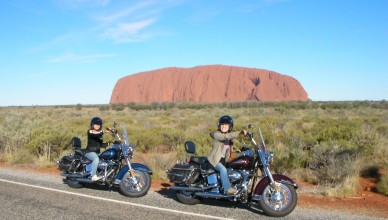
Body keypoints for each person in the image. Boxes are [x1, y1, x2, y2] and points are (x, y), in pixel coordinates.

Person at [207, 115, 247, 195]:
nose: (224, 126)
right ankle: (227, 189)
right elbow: (225, 136)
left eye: (226, 125)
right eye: (222, 125)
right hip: (214, 161)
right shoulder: (216, 134)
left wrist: (239, 150)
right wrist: (239, 133)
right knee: (223, 170)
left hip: (223, 161)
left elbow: (228, 149)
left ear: (230, 126)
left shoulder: (229, 139)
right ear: (219, 125)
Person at [85, 117, 111, 181]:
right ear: (92, 125)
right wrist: (104, 131)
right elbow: (95, 135)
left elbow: (100, 144)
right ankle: (93, 175)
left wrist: (110, 143)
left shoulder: (99, 134)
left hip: (97, 152)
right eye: (95, 124)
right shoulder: (90, 132)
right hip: (89, 152)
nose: (97, 126)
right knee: (96, 158)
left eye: (98, 125)